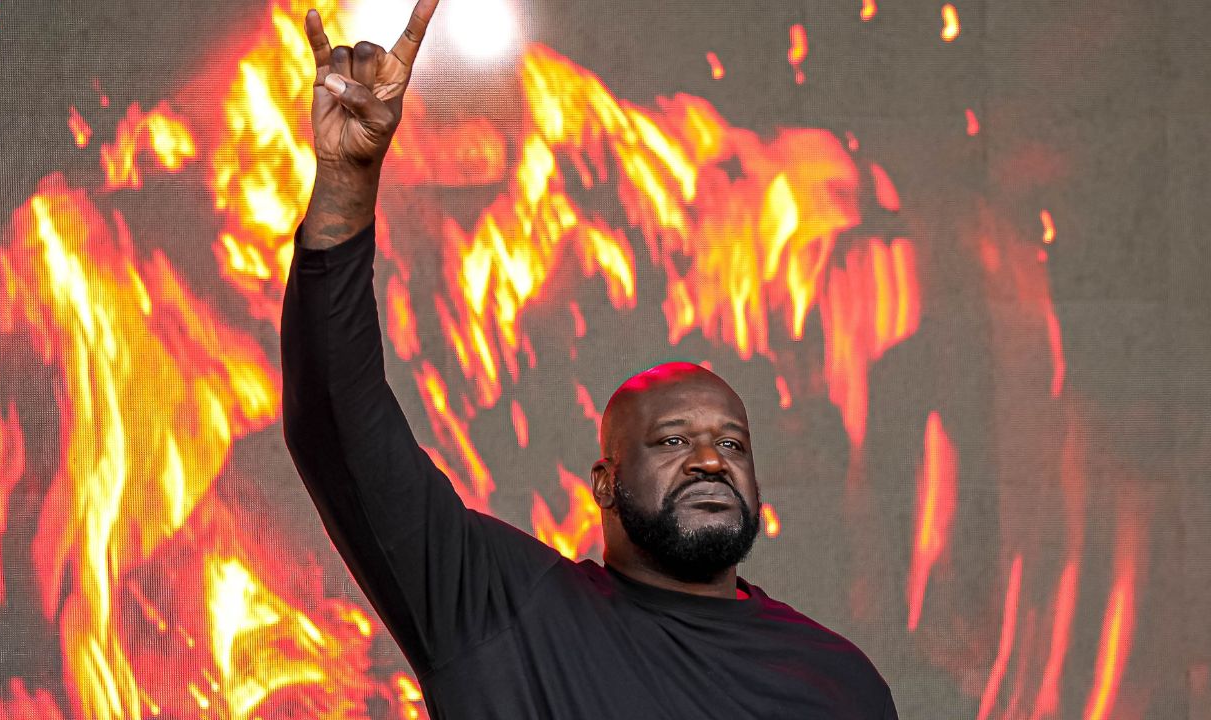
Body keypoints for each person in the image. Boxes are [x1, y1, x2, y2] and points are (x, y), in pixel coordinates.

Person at [281, 2, 899, 717]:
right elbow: (338, 429)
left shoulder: (838, 683)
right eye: (672, 440)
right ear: (604, 482)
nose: (710, 460)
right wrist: (348, 185)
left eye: (732, 443)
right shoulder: (502, 612)